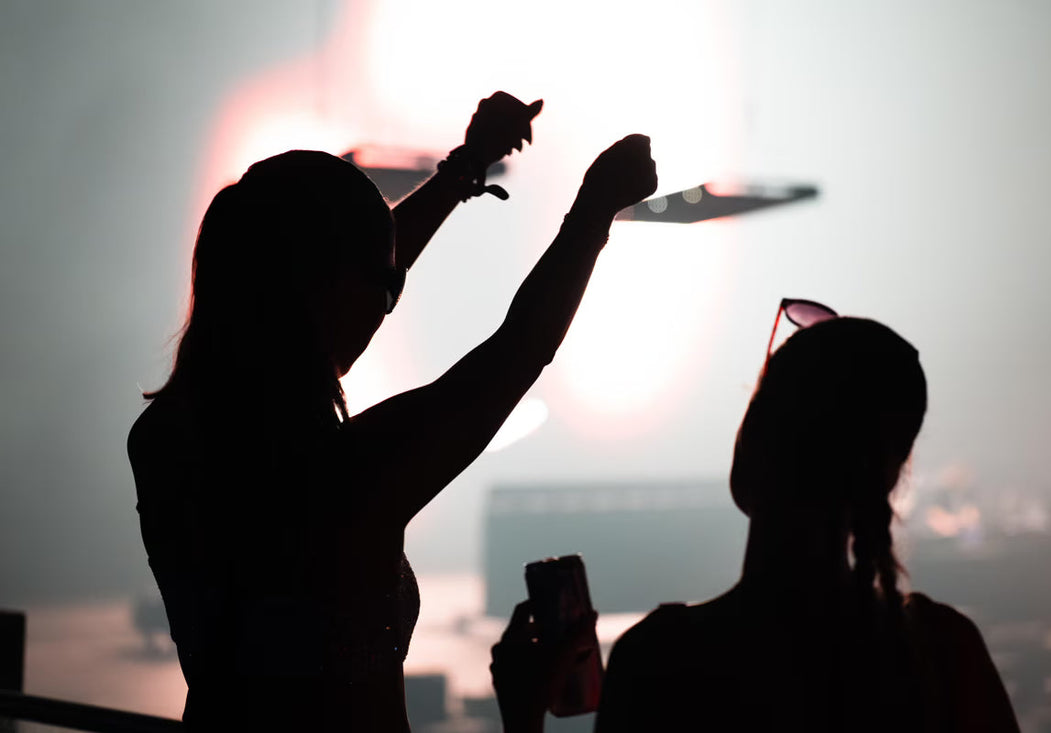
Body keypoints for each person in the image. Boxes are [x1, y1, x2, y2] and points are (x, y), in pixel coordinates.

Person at [127, 89, 658, 732]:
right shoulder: (341, 478)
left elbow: (352, 273)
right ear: (319, 293)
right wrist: (592, 213)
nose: (388, 304)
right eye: (384, 287)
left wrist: (463, 170)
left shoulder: (170, 437)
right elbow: (517, 354)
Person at [492, 309, 1020, 733]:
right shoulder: (948, 652)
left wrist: (523, 719)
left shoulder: (660, 660)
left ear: (750, 446)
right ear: (887, 478)